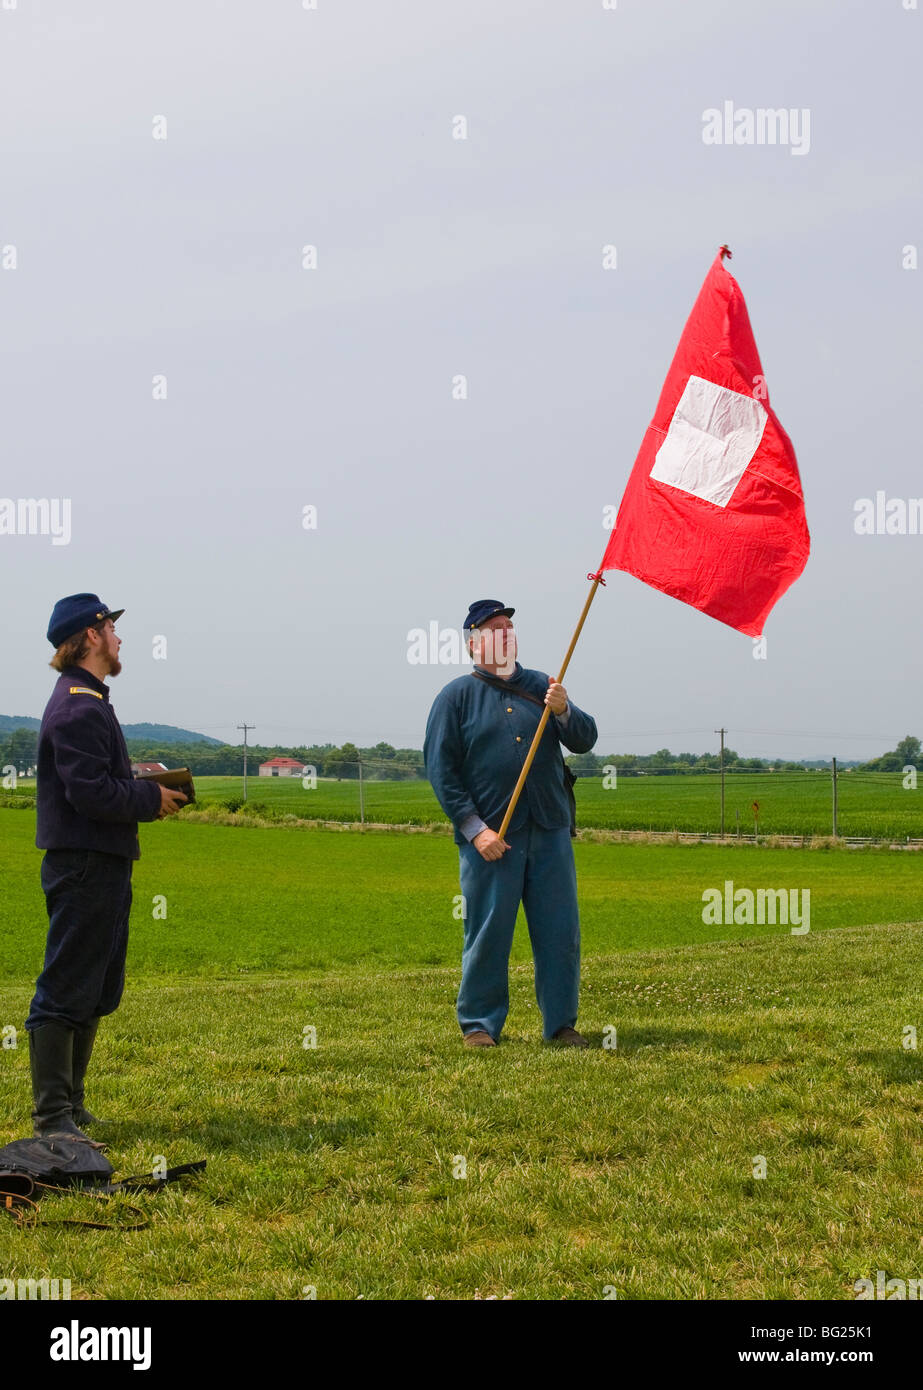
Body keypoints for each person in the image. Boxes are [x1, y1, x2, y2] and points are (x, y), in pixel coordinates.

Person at [26, 594, 188, 1142]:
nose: (119, 638)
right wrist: (150, 800)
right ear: (90, 636)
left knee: (95, 985)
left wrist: (146, 785)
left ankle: (71, 1102)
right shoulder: (77, 705)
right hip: (84, 864)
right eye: (111, 628)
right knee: (67, 984)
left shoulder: (90, 699)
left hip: (103, 862)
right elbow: (90, 792)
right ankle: (52, 1118)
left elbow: (97, 780)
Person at [424, 600, 598, 1048]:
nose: (506, 634)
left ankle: (561, 1025)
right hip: (491, 839)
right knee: (488, 933)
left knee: (560, 933)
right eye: (495, 628)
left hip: (551, 829)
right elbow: (442, 773)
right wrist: (474, 829)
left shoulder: (543, 684)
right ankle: (480, 1025)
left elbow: (584, 738)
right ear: (473, 642)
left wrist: (562, 710)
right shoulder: (454, 698)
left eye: (510, 627)